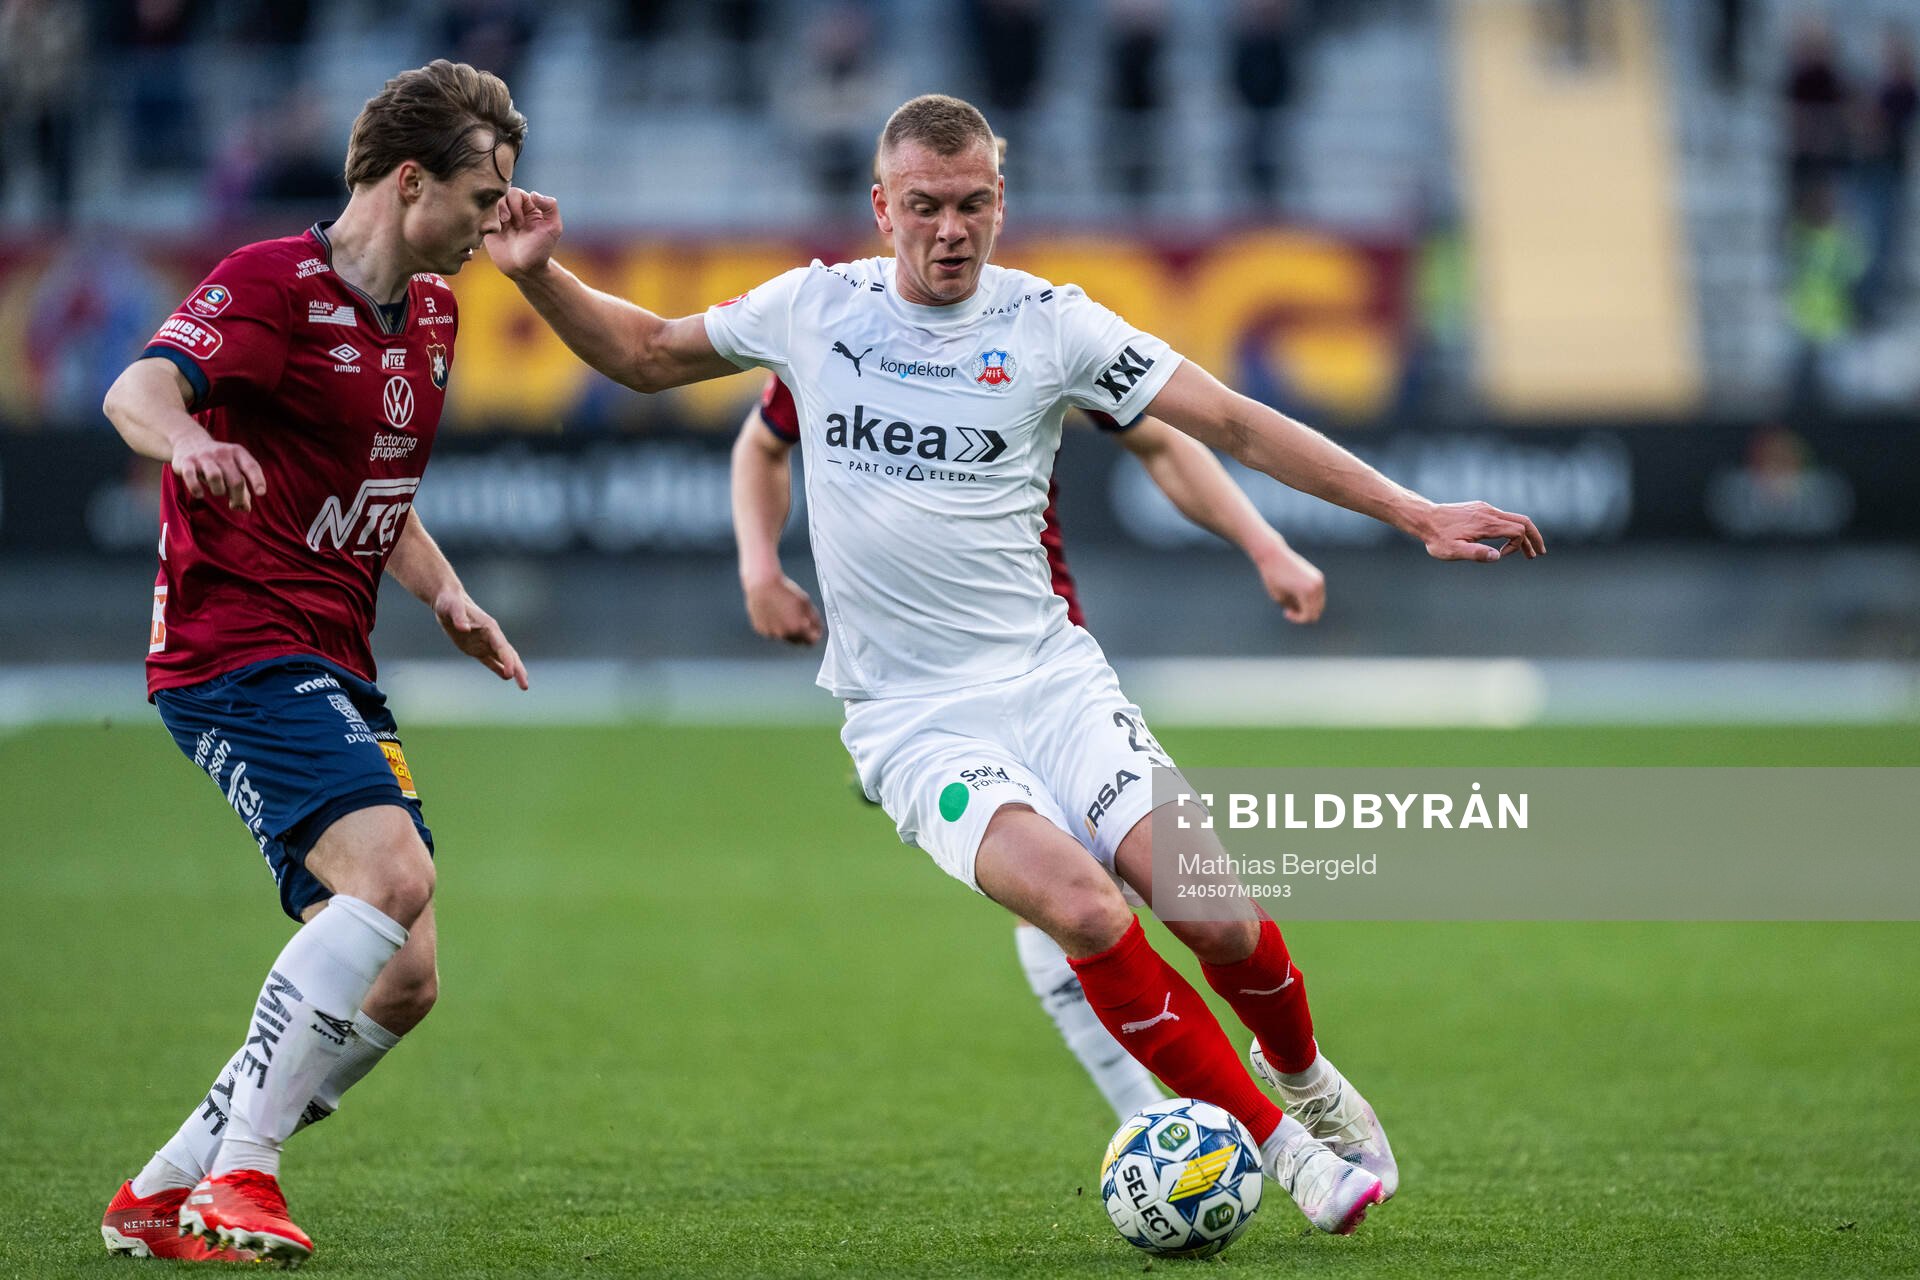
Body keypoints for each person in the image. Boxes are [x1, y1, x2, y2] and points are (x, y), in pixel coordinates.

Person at [489, 92, 1543, 1236]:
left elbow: (1229, 421)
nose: (950, 229)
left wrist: (1412, 511)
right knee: (1081, 907)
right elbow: (646, 353)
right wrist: (540, 275)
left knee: (1220, 917)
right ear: (881, 206)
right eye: (925, 206)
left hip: (1053, 683)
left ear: (1002, 201)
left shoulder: (1053, 324)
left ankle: (1305, 1078)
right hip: (913, 721)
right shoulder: (814, 308)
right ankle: (1287, 1152)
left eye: (972, 204)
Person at [97, 60, 528, 1266]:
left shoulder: (432, 316)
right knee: (389, 874)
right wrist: (186, 439)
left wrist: (448, 595)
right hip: (233, 645)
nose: (491, 224)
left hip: (333, 657)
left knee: (406, 977)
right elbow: (135, 388)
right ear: (410, 183)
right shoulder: (269, 284)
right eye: (481, 198)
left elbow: (376, 490)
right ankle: (244, 1171)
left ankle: (159, 1190)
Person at [736, 372, 1327, 1124]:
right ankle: (1152, 1116)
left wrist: (1266, 547)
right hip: (920, 698)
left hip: (1045, 672)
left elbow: (1158, 439)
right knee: (1071, 896)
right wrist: (760, 569)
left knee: (1174, 899)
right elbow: (761, 444)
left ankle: (1196, 1106)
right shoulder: (838, 337)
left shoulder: (1038, 330)